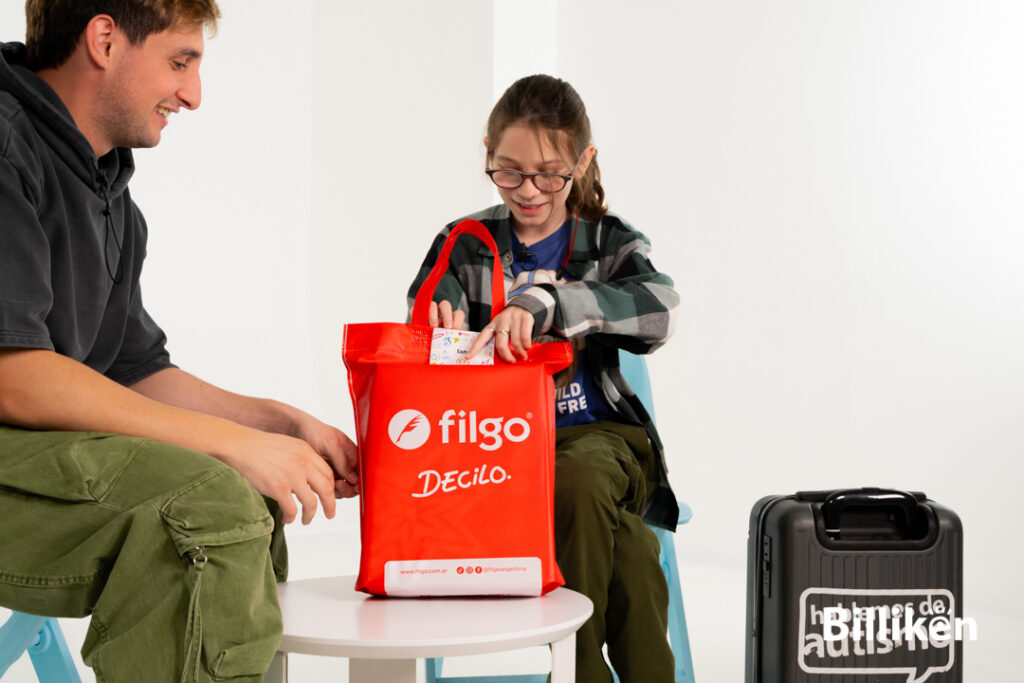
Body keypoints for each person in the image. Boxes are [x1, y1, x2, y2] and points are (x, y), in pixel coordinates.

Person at [0, 2, 358, 681]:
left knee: (243, 494)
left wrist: (278, 424)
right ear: (104, 39)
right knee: (201, 507)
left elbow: (131, 367)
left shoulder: (107, 192)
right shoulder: (5, 146)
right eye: (180, 60)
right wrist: (226, 443)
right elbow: (13, 373)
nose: (193, 93)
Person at [405, 74, 680, 683]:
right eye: (509, 172)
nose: (529, 191)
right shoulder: (464, 242)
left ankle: (574, 675)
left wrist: (552, 304)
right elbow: (421, 315)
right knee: (632, 549)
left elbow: (659, 311)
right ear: (488, 154)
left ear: (583, 162)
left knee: (576, 478)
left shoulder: (609, 240)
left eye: (550, 174)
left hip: (601, 444)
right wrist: (435, 319)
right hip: (496, 455)